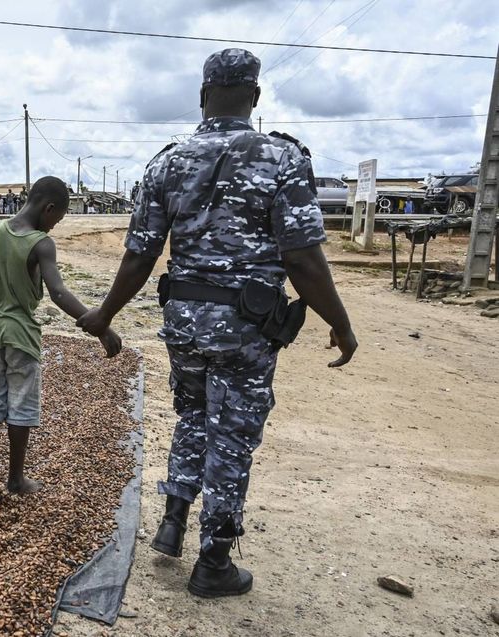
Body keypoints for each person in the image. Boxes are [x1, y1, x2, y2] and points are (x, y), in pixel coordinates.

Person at [77, 49, 357, 598]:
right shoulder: (282, 158)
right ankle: (214, 562)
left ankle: (173, 520)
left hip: (183, 320)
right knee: (231, 436)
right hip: (244, 326)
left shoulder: (168, 161)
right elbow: (302, 257)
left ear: (203, 95)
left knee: (193, 414)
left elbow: (140, 253)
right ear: (253, 97)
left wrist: (105, 312)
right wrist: (340, 324)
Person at [0, 176, 122, 503]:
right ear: (48, 208)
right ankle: (15, 479)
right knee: (20, 404)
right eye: (57, 219)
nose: (54, 226)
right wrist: (102, 327)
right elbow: (59, 293)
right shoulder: (40, 243)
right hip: (22, 336)